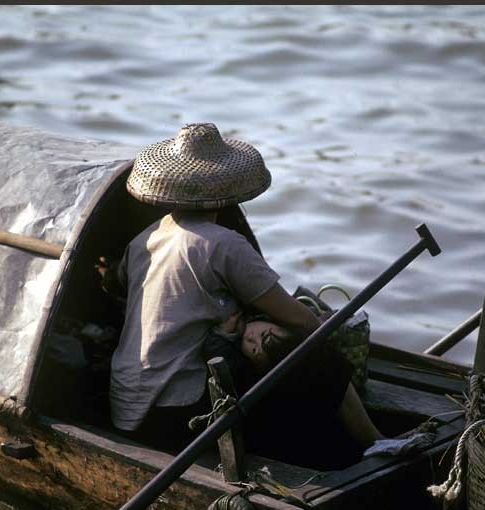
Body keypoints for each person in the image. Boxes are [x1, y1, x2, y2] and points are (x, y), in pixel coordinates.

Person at [98, 123, 322, 452]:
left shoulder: (145, 238)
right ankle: (371, 444)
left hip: (126, 398)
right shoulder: (222, 244)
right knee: (322, 357)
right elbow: (302, 321)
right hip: (173, 407)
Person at [203, 312, 385, 470]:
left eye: (263, 336)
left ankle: (375, 441)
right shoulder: (259, 379)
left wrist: (220, 335)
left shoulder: (316, 362)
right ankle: (375, 441)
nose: (251, 338)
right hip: (302, 454)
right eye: (254, 348)